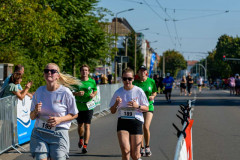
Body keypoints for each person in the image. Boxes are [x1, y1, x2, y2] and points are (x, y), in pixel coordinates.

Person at [30, 63, 81, 160]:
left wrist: (60, 119)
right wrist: (35, 111)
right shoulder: (39, 91)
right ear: (44, 74)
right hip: (40, 133)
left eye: (52, 71)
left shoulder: (65, 92)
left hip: (58, 134)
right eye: (46, 71)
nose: (49, 73)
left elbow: (74, 114)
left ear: (58, 76)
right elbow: (32, 117)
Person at [109, 67, 149, 160]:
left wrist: (137, 106)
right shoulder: (118, 92)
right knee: (125, 151)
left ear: (133, 79)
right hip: (123, 122)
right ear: (122, 79)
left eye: (129, 79)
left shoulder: (138, 91)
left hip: (136, 122)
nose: (127, 81)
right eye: (125, 79)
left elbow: (146, 108)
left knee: (135, 155)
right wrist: (116, 104)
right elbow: (112, 111)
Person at [133, 65, 157, 157]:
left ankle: (147, 146)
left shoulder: (151, 81)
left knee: (146, 127)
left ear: (146, 72)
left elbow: (155, 91)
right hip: (138, 108)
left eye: (144, 71)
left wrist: (153, 96)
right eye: (141, 71)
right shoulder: (135, 83)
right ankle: (141, 148)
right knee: (140, 127)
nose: (143, 72)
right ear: (138, 72)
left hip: (149, 107)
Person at [72, 64, 97, 154]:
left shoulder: (92, 81)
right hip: (79, 106)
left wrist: (93, 95)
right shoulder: (76, 82)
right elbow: (72, 92)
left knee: (87, 126)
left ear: (88, 72)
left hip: (89, 106)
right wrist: (77, 94)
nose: (84, 72)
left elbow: (95, 90)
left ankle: (85, 146)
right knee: (80, 125)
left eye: (86, 70)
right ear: (80, 72)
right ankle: (81, 138)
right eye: (83, 70)